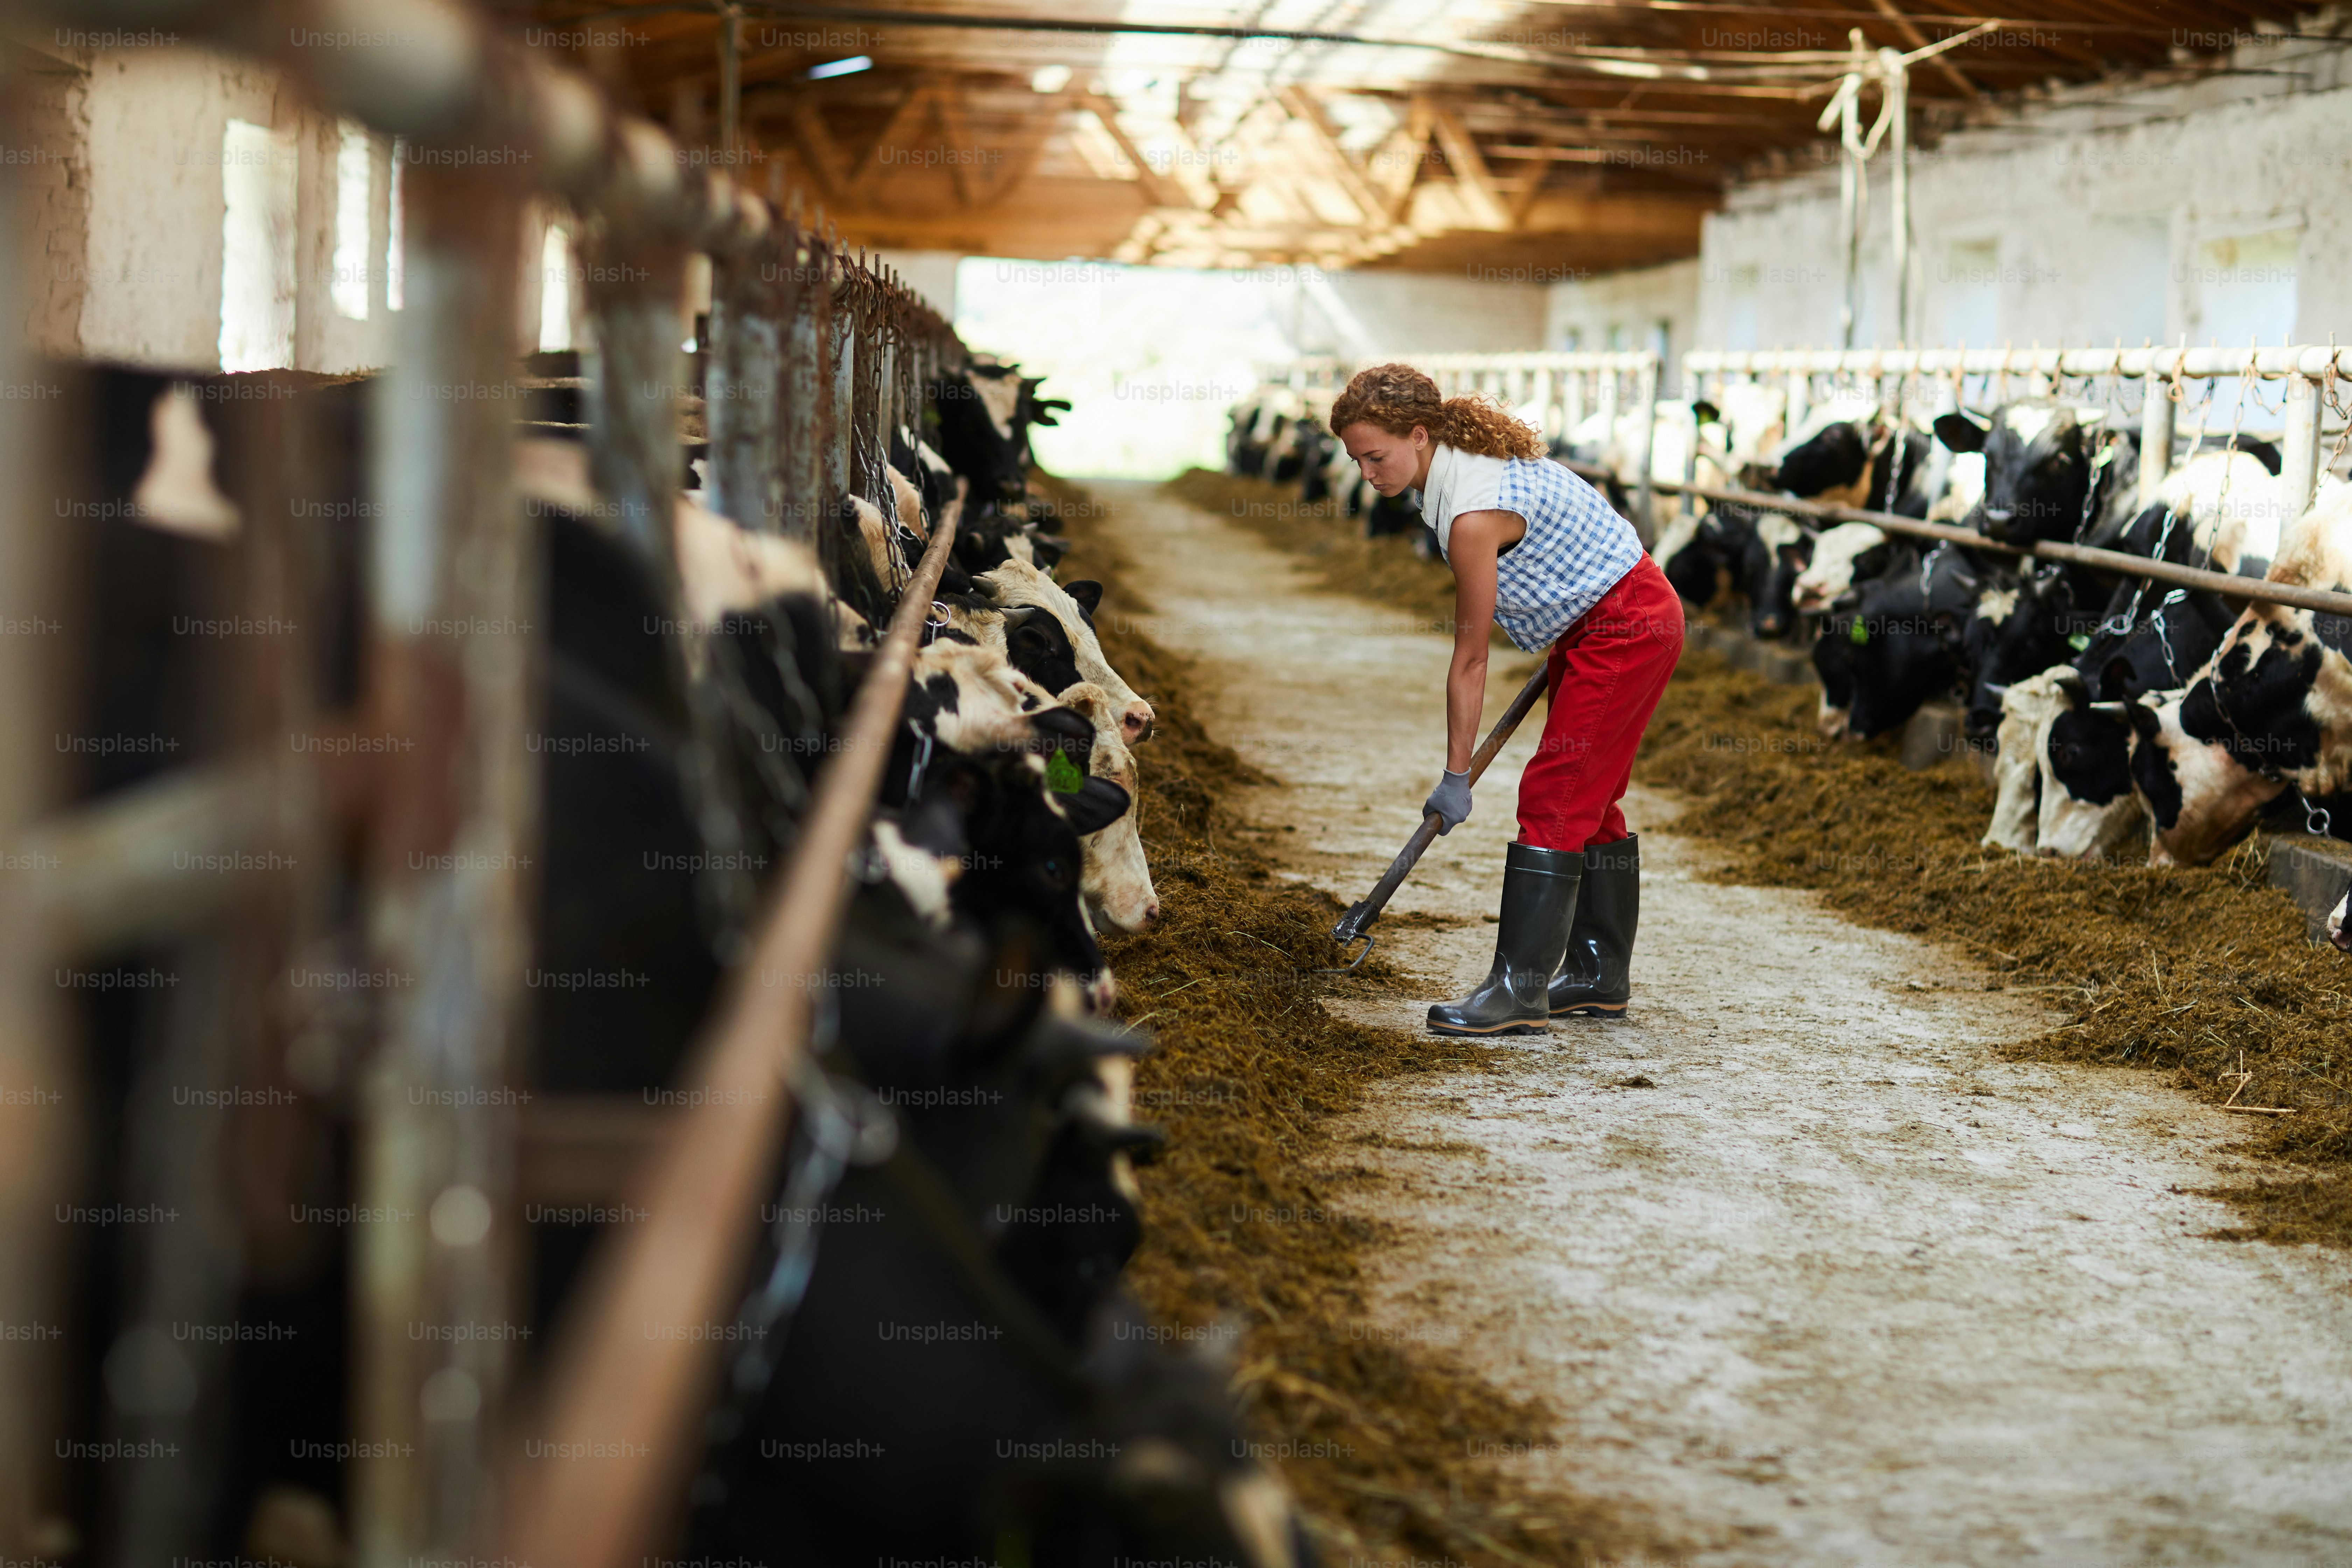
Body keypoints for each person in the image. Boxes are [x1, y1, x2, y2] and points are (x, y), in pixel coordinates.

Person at [1329, 363, 1684, 1036]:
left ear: (1420, 434)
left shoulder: (1471, 512)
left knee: (1556, 794)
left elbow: (1470, 660)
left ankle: (1519, 989)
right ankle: (1598, 973)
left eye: (1377, 457)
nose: (1368, 475)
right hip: (1599, 616)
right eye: (1357, 461)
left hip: (1626, 623)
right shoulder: (1457, 467)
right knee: (1591, 795)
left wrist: (1455, 777)